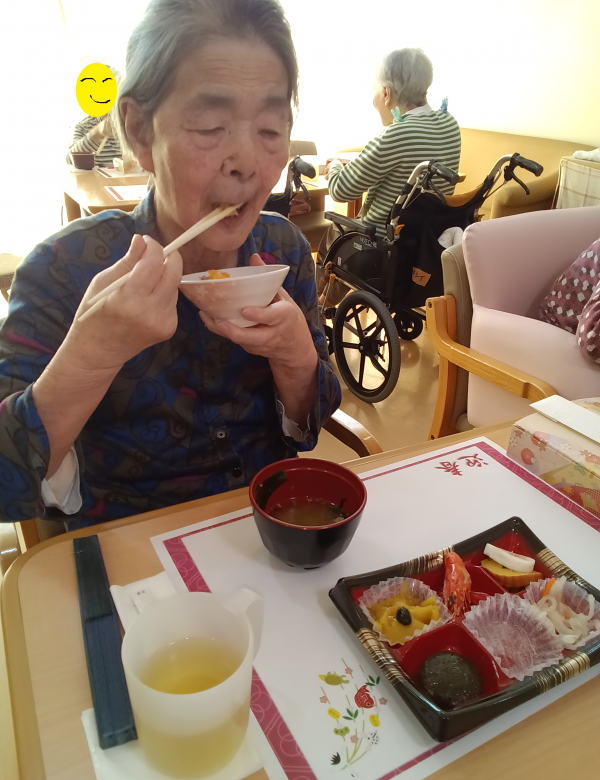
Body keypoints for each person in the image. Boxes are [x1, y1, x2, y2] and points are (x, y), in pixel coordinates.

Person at [0, 0, 341, 531]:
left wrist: (296, 357)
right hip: (131, 552)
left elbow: (310, 426)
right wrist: (93, 354)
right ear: (140, 131)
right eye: (211, 125)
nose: (247, 162)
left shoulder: (284, 249)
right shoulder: (63, 269)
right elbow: (6, 484)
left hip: (271, 536)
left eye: (272, 129)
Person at [317, 48, 461, 306]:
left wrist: (336, 165)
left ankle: (320, 302)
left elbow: (340, 190)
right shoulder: (449, 125)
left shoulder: (396, 135)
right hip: (425, 243)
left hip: (380, 245)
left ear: (386, 93)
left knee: (334, 232)